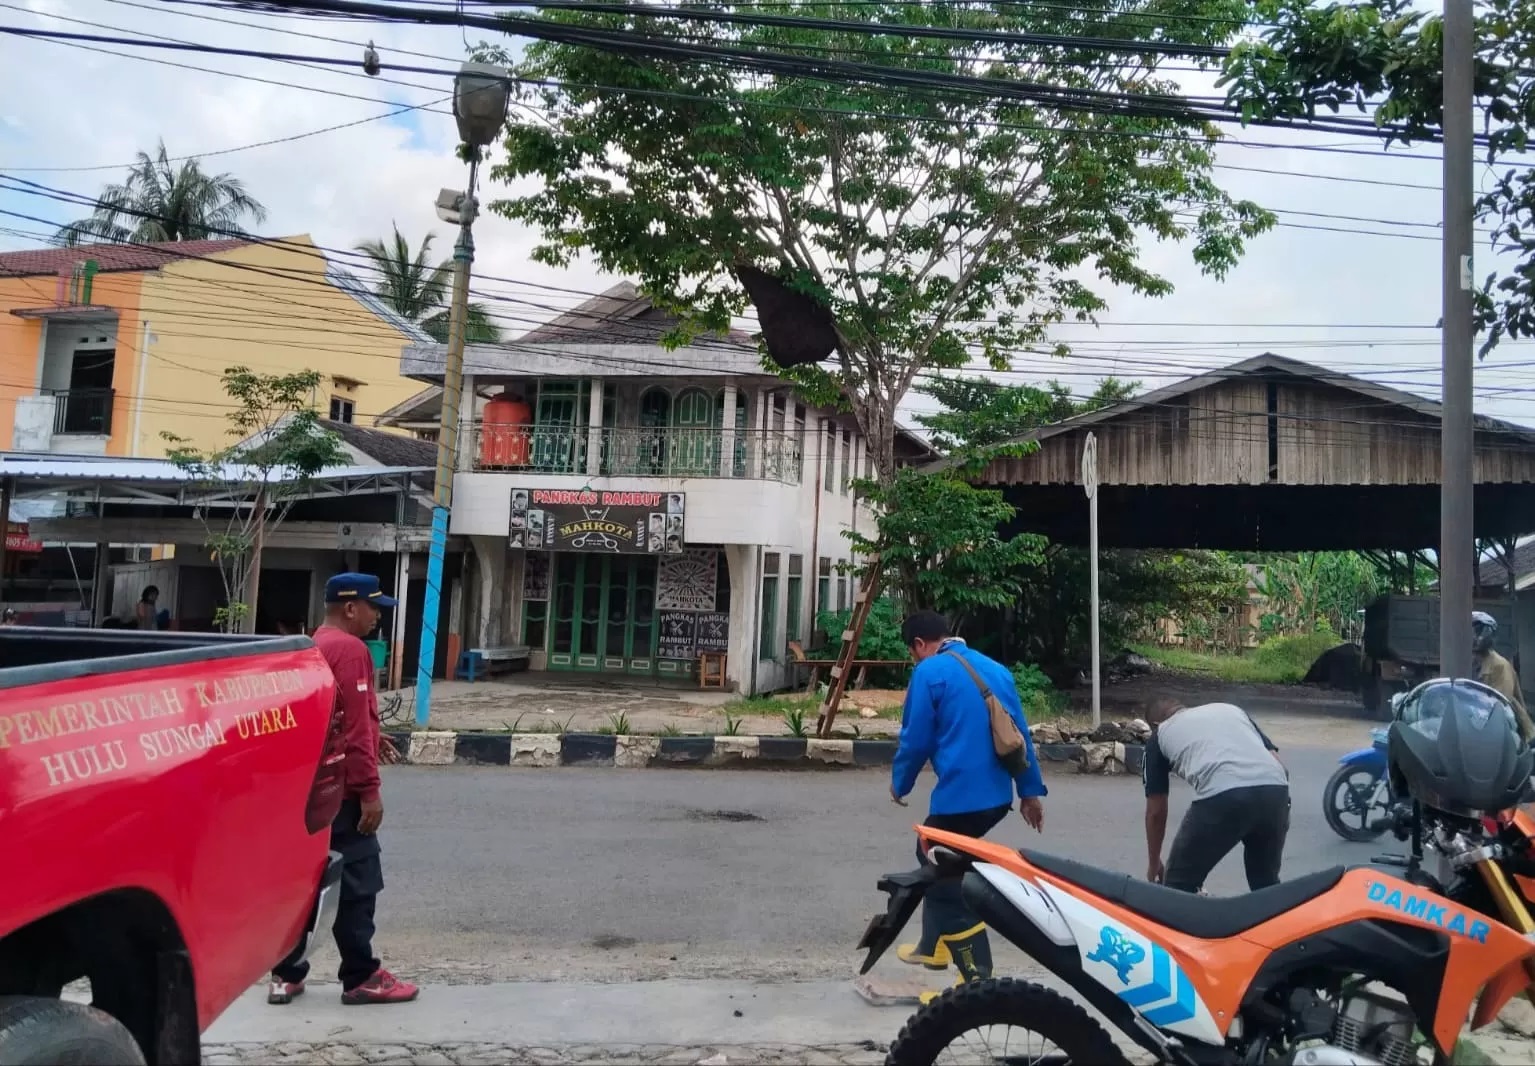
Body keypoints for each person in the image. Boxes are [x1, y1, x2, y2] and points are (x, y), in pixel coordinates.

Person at [269, 572, 418, 1007]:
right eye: (374, 607)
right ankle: (361, 975)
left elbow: (327, 718)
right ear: (351, 608)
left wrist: (375, 735)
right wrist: (369, 790)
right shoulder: (351, 651)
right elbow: (352, 728)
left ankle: (286, 973)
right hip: (345, 796)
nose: (377, 616)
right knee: (358, 882)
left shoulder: (312, 644)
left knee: (307, 881)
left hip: (311, 792)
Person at [889, 611, 1046, 1003]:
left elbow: (915, 739)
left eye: (913, 652)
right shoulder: (994, 669)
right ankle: (933, 946)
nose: (915, 659)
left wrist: (899, 783)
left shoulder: (929, 673)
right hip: (995, 797)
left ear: (921, 644)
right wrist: (1030, 792)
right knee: (938, 858)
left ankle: (976, 980)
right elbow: (1019, 734)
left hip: (963, 796)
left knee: (941, 868)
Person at [1143, 698, 1291, 894]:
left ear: (1155, 724)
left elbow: (1156, 811)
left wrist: (1154, 862)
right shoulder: (1231, 710)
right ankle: (1277, 923)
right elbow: (1278, 763)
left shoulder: (1159, 735)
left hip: (1224, 796)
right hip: (1276, 790)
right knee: (1265, 884)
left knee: (1177, 886)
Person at [1472, 612, 1531, 742]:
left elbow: (1501, 703)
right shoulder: (1475, 662)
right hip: (1484, 726)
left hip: (1511, 733)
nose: (1473, 636)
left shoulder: (1499, 665)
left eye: (1476, 632)